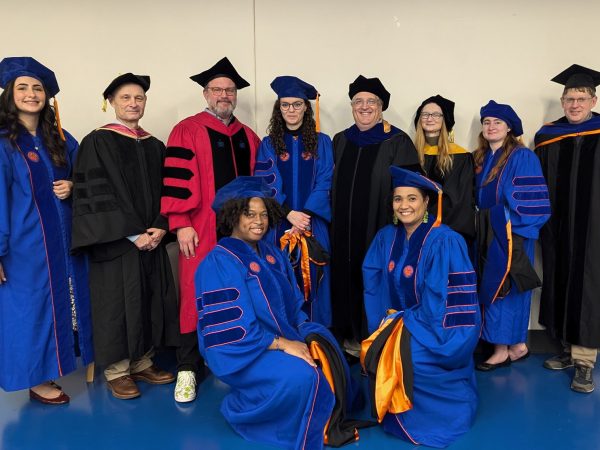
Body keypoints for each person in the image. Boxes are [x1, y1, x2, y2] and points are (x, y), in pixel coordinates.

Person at [195, 176, 365, 450]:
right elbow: (233, 333)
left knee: (327, 350)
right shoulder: (220, 263)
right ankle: (246, 409)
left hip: (282, 339)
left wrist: (307, 332)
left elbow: (294, 304)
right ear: (232, 216)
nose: (259, 221)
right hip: (246, 353)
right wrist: (286, 345)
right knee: (304, 376)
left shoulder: (271, 254)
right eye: (249, 214)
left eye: (263, 214)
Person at [71, 73, 178, 399]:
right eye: (125, 98)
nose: (133, 103)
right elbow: (96, 197)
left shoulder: (155, 145)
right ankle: (117, 370)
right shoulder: (97, 142)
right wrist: (133, 235)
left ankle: (143, 361)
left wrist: (161, 226)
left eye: (139, 98)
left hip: (152, 240)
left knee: (147, 299)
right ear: (112, 103)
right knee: (117, 304)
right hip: (116, 244)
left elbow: (169, 192)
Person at [161, 57, 260, 402]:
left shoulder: (249, 136)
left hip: (243, 233)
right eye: (217, 89)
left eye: (229, 90)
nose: (224, 95)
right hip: (201, 228)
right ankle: (188, 367)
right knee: (195, 292)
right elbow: (176, 180)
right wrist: (180, 223)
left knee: (240, 289)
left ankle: (233, 359)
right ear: (205, 94)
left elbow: (261, 188)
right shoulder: (187, 129)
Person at [361, 166, 480, 448]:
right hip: (396, 323)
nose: (404, 206)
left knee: (408, 359)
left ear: (427, 202)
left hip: (432, 330)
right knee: (380, 352)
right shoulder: (385, 237)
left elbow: (445, 302)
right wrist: (383, 326)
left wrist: (409, 327)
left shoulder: (446, 240)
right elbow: (373, 285)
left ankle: (438, 416)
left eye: (412, 198)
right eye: (398, 199)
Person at [0, 57, 93, 404]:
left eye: (37, 88)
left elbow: (86, 177)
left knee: (55, 305)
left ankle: (51, 368)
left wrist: (73, 186)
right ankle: (35, 379)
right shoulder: (4, 142)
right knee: (27, 310)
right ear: (9, 94)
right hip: (22, 247)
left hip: (63, 241)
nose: (31, 94)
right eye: (22, 87)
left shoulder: (60, 138)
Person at [330, 75, 419, 353]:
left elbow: (410, 190)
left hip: (379, 229)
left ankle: (376, 337)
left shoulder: (397, 141)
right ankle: (349, 335)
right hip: (341, 230)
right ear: (352, 106)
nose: (364, 106)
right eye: (359, 101)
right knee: (344, 276)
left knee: (374, 279)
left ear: (381, 107)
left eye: (371, 101)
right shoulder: (341, 140)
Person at [535, 64, 600, 393]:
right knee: (559, 281)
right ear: (562, 102)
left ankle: (585, 361)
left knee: (588, 287)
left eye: (581, 98)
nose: (574, 104)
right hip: (557, 226)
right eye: (569, 98)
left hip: (594, 228)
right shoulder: (548, 136)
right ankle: (565, 349)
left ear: (593, 99)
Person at [473, 100, 550, 371]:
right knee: (493, 286)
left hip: (510, 232)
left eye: (497, 122)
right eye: (487, 122)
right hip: (488, 232)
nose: (491, 126)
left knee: (505, 289)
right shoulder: (481, 158)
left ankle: (501, 350)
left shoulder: (521, 156)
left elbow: (531, 201)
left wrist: (507, 225)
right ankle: (517, 346)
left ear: (509, 128)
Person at [255, 76, 333, 326]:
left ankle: (316, 336)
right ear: (279, 109)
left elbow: (326, 179)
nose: (291, 110)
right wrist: (289, 214)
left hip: (313, 224)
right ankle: (286, 335)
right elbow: (266, 182)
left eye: (297, 104)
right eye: (286, 105)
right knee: (281, 276)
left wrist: (305, 216)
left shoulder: (322, 142)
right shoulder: (268, 145)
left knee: (316, 280)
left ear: (306, 108)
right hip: (279, 223)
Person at [413, 95, 475, 242]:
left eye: (436, 114)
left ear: (444, 120)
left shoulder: (460, 157)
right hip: (413, 229)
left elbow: (460, 201)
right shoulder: (410, 154)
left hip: (447, 232)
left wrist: (441, 232)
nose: (430, 118)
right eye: (425, 114)